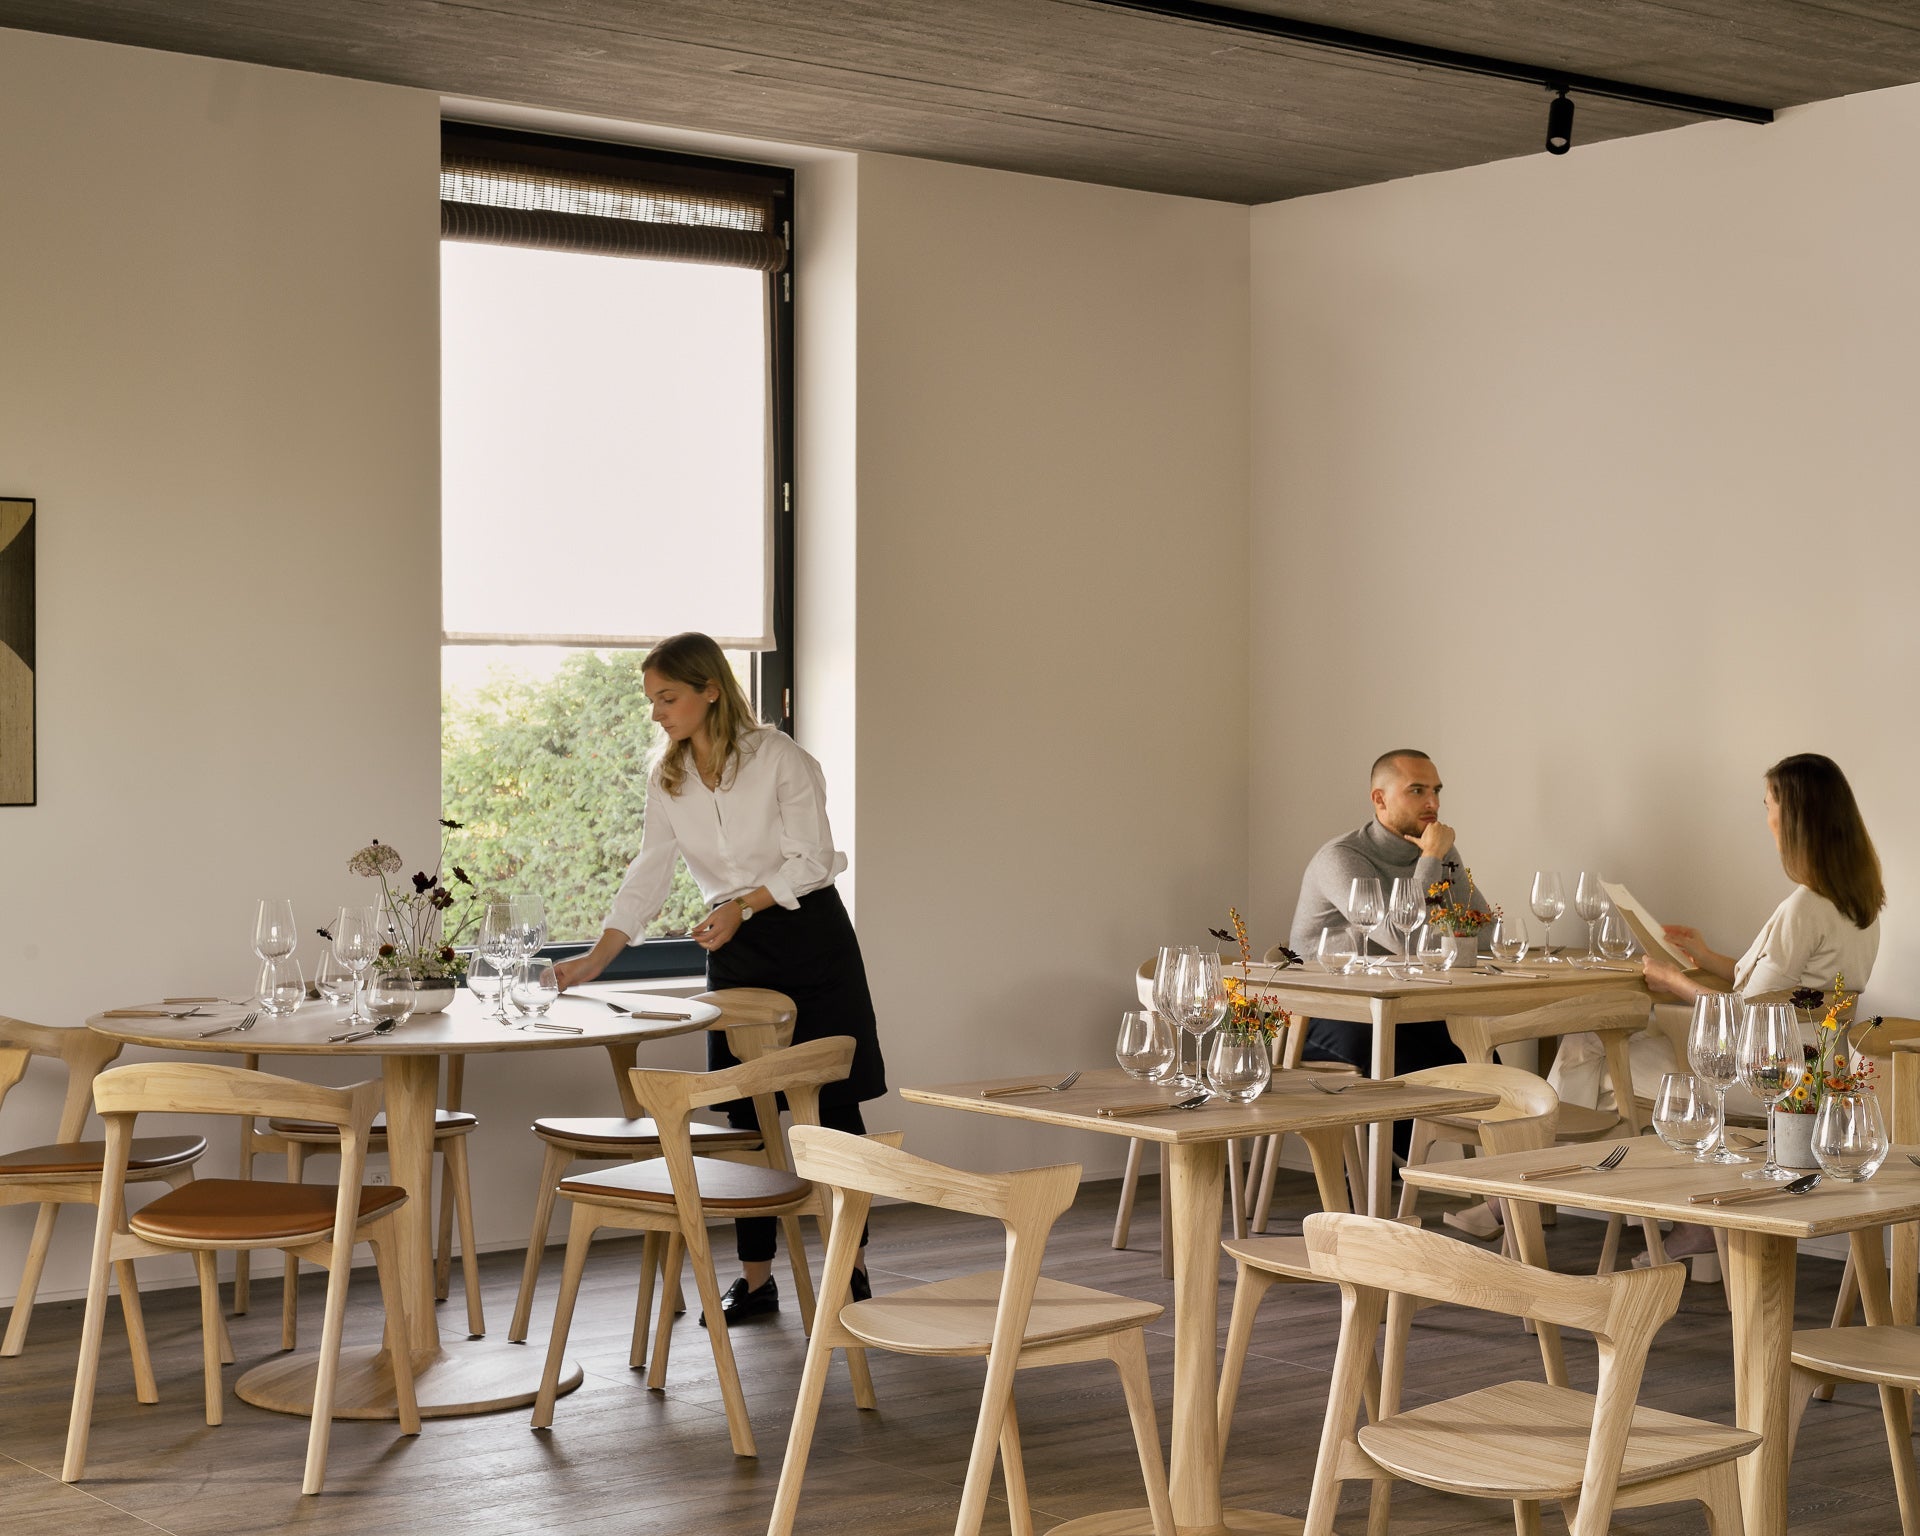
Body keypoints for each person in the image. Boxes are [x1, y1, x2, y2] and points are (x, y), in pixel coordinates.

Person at [554, 632, 886, 1324]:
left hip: (811, 937)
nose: (657, 713)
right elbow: (650, 871)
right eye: (651, 700)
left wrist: (742, 904)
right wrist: (597, 957)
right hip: (737, 950)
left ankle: (850, 1271)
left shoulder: (780, 759)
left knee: (833, 1107)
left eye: (667, 697)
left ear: (710, 689)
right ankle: (757, 1281)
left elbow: (814, 860)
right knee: (745, 1112)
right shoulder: (668, 777)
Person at [1550, 753, 1884, 1261]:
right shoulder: (1858, 904)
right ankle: (1693, 1225)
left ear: (1792, 817)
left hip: (1770, 1078)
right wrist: (1706, 957)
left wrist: (1668, 979)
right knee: (1603, 1054)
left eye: (1768, 804)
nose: (1764, 816)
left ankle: (1523, 1198)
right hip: (1818, 1067)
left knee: (1587, 1047)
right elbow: (1787, 991)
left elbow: (1748, 1015)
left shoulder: (1804, 905)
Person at [1288, 748, 1489, 1084]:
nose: (1433, 804)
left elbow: (1484, 931)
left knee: (1479, 1052)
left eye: (1436, 791)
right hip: (1323, 1010)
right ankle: (1394, 1139)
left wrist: (1434, 858)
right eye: (1417, 790)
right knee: (1404, 1058)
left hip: (1399, 1005)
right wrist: (1430, 857)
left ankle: (1492, 1138)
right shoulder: (1341, 858)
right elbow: (1401, 937)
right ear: (1379, 799)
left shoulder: (1439, 850)